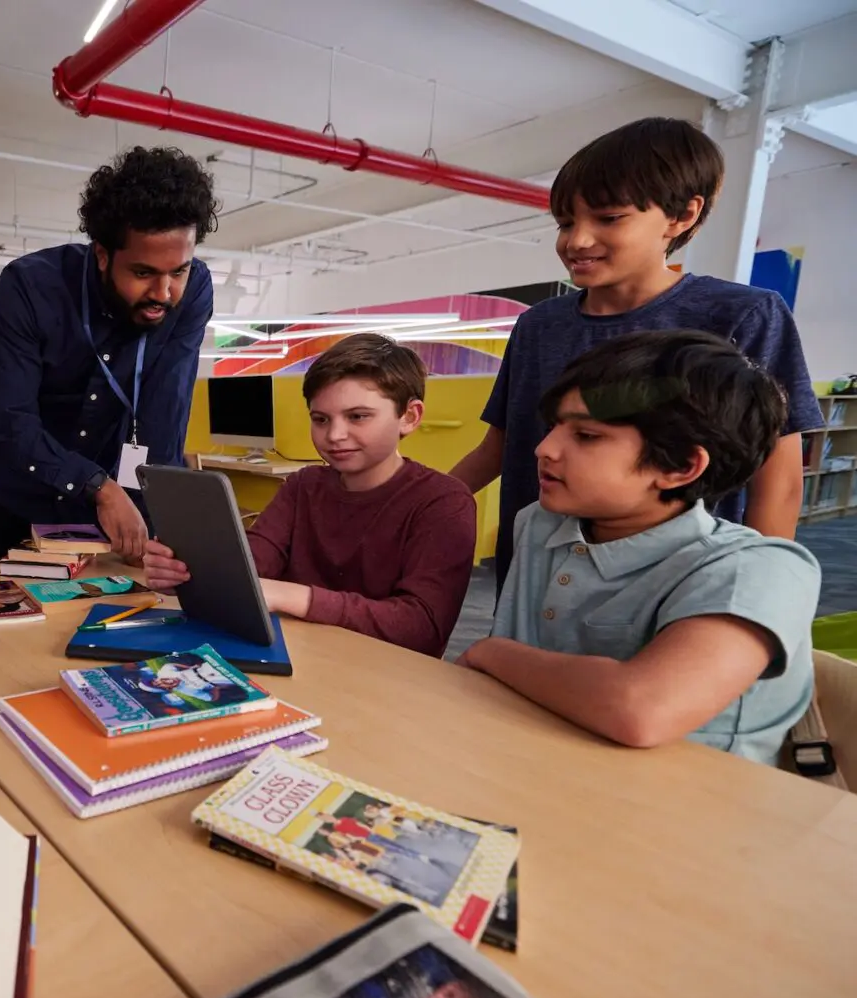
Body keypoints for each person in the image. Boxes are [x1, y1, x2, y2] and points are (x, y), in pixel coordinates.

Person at [450, 118, 822, 587]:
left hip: (673, 582)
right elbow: (502, 446)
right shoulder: (539, 325)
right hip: (537, 571)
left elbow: (778, 479)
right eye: (566, 222)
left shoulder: (742, 316)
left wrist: (763, 596)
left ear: (681, 216)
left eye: (608, 218)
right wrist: (416, 503)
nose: (577, 240)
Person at [458, 331, 822, 765]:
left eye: (587, 436)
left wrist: (492, 653)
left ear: (680, 466)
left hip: (692, 812)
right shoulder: (541, 523)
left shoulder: (758, 570)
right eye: (555, 426)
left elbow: (642, 710)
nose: (545, 448)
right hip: (543, 767)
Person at [141, 334, 477, 658]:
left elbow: (421, 628)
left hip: (386, 677)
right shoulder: (304, 485)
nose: (335, 435)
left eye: (358, 416)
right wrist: (187, 575)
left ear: (409, 416)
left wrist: (293, 596)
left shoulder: (444, 501)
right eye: (320, 419)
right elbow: (253, 565)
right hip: (300, 658)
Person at [0, 145, 218, 562]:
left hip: (121, 497)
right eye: (143, 273)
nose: (163, 293)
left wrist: (162, 513)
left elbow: (166, 413)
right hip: (25, 491)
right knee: (29, 617)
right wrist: (98, 488)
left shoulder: (192, 291)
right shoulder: (29, 290)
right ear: (103, 255)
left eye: (178, 270)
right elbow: (9, 422)